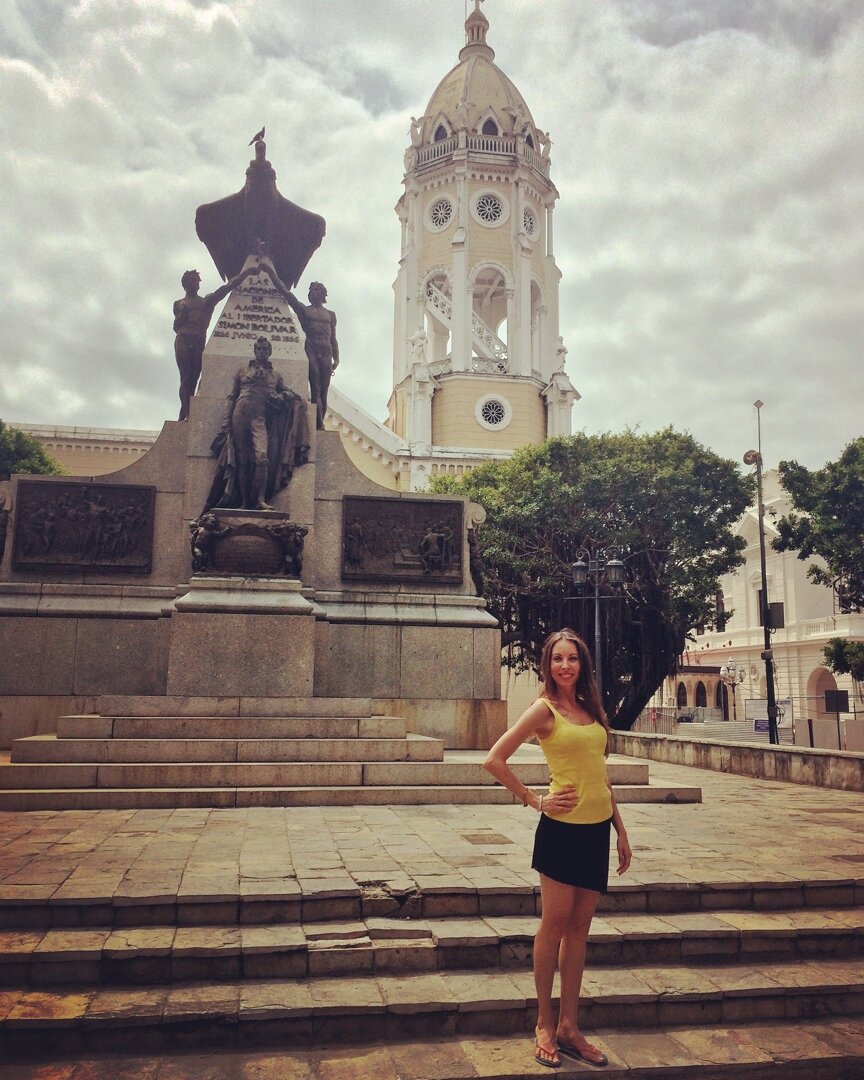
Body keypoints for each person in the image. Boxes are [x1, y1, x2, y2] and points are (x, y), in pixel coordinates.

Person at [484, 628, 632, 1070]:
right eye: (557, 659)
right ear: (547, 665)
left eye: (572, 658)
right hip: (562, 831)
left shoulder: (590, 709)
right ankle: (544, 1024)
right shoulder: (543, 710)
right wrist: (535, 800)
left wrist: (621, 830)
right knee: (554, 925)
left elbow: (599, 774)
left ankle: (570, 1026)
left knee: (580, 930)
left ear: (582, 663)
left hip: (596, 831)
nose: (565, 666)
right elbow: (494, 759)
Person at [205, 336, 309, 512]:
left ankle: (260, 500)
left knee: (262, 458)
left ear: (270, 352)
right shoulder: (242, 371)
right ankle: (245, 502)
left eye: (265, 349)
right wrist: (225, 423)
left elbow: (288, 393)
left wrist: (286, 396)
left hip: (259, 418)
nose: (262, 352)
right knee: (242, 459)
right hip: (240, 415)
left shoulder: (275, 375)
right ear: (255, 350)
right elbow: (232, 397)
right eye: (259, 349)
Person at [173, 266, 256, 421]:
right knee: (185, 377)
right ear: (185, 284)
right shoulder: (179, 303)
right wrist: (183, 314)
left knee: (194, 377)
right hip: (183, 339)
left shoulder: (206, 302)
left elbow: (226, 288)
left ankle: (186, 412)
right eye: (192, 280)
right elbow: (176, 326)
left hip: (198, 340)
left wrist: (245, 273)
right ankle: (185, 413)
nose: (195, 283)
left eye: (197, 281)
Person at [265, 266, 339, 430]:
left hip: (327, 352)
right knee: (315, 388)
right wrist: (271, 273)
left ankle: (320, 422)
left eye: (317, 290)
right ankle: (318, 423)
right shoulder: (304, 311)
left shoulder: (330, 314)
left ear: (323, 294)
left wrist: (337, 357)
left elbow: (333, 337)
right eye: (312, 290)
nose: (314, 293)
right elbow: (287, 294)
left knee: (324, 391)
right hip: (312, 348)